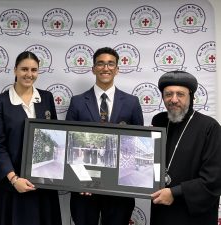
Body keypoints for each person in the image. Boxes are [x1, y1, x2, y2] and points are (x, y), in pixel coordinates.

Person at [66, 47, 144, 225]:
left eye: (110, 64)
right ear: (93, 68)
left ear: (117, 69)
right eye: (100, 64)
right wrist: (80, 180)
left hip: (119, 189)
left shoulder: (132, 103)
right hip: (84, 188)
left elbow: (137, 145)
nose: (105, 68)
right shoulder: (77, 102)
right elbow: (70, 146)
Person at [0, 51, 62, 225]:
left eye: (34, 70)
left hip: (43, 181)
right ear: (15, 70)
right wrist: (14, 179)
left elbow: (56, 135)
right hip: (12, 181)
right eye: (24, 69)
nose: (29, 74)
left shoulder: (46, 98)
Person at [150, 71, 221, 225]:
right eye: (168, 94)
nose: (174, 99)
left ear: (191, 96)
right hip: (161, 211)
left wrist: (175, 193)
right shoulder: (159, 121)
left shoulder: (209, 127)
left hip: (192, 215)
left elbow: (214, 179)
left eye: (180, 94)